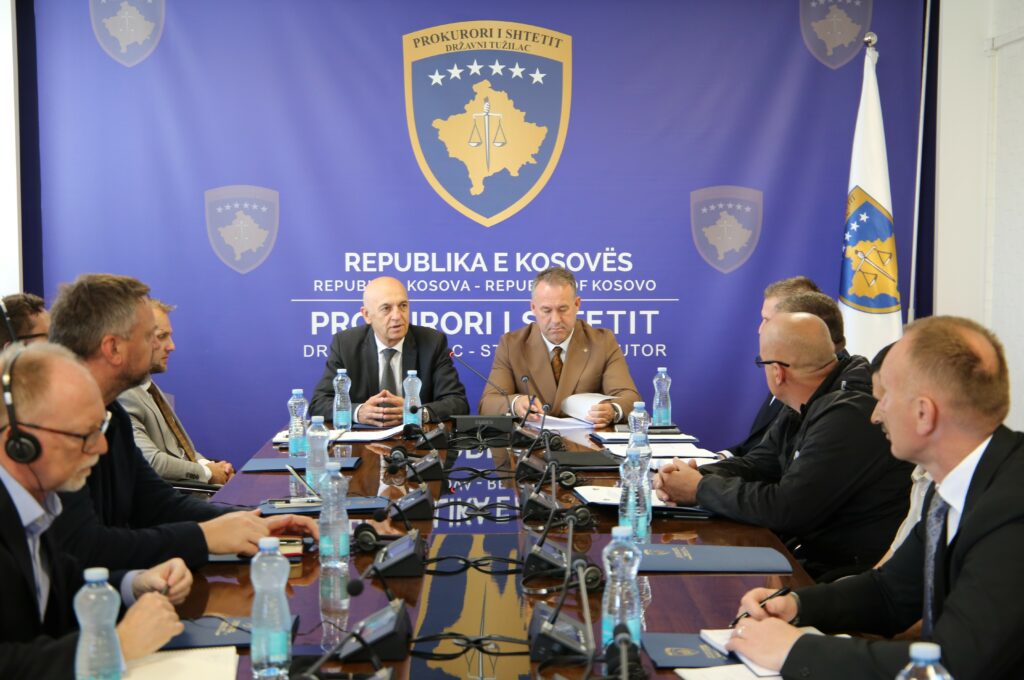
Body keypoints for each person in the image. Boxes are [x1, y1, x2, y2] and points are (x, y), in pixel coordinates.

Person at [728, 316, 1024, 680]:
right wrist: (796, 604)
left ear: (923, 413)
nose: (874, 414)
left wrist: (794, 650)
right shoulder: (954, 484)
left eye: (884, 397)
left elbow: (954, 666)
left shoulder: (1012, 507)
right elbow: (891, 592)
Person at [47, 274, 316, 570]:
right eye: (149, 336)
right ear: (113, 348)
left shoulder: (113, 415)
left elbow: (156, 503)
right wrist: (203, 537)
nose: (161, 346)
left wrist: (259, 521)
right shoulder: (52, 426)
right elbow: (86, 548)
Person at [654, 313, 910, 580]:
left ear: (777, 371)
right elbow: (759, 464)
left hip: (843, 575)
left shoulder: (847, 413)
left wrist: (699, 488)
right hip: (809, 558)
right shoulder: (808, 399)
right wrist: (693, 476)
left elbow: (787, 508)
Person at [0, 342, 189, 677]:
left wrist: (134, 583)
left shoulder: (38, 505)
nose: (101, 446)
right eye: (84, 434)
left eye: (99, 428)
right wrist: (113, 645)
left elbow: (59, 590)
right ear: (20, 444)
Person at [478, 267, 640, 426]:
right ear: (533, 308)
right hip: (531, 441)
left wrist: (612, 410)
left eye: (563, 309)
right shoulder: (512, 345)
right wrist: (516, 403)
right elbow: (487, 404)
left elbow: (631, 398)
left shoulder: (602, 342)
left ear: (577, 304)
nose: (555, 320)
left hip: (586, 442)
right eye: (546, 310)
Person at [310, 276, 469, 426]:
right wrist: (357, 412)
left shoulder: (432, 342)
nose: (397, 316)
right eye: (386, 308)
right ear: (367, 315)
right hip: (364, 441)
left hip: (417, 441)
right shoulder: (346, 344)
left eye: (403, 306)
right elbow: (319, 403)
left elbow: (457, 402)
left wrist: (417, 413)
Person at [118, 299, 235, 485]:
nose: (171, 346)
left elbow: (181, 450)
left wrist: (208, 465)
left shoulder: (148, 386)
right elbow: (151, 461)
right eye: (161, 336)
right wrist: (207, 473)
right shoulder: (123, 395)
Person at [727, 277, 829, 456]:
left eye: (767, 320)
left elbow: (777, 463)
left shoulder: (818, 380)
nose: (760, 329)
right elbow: (759, 447)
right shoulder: (783, 362)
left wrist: (709, 472)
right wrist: (717, 461)